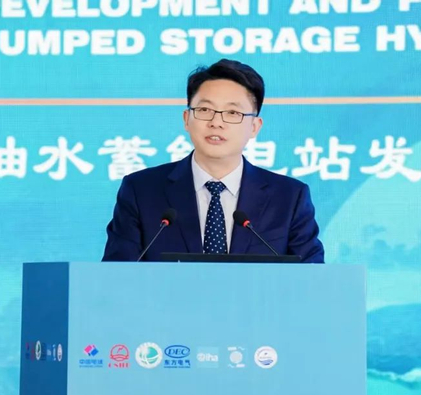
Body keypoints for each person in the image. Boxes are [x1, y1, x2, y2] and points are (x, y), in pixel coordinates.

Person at [102, 59, 324, 263]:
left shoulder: (289, 197)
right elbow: (115, 276)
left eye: (232, 113)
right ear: (187, 119)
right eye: (205, 109)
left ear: (254, 127)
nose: (216, 122)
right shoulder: (141, 191)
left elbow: (312, 278)